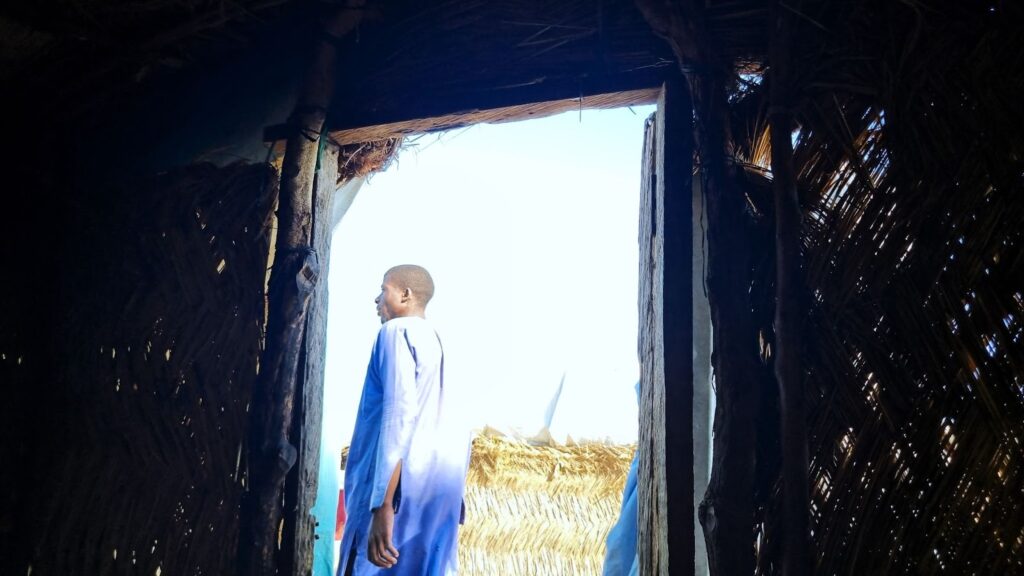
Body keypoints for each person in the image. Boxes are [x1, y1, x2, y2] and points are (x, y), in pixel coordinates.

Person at [337, 265, 469, 576]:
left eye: (383, 290)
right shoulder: (441, 345)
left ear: (405, 295)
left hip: (396, 497)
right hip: (437, 500)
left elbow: (398, 417)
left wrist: (382, 505)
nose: (376, 300)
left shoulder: (396, 333)